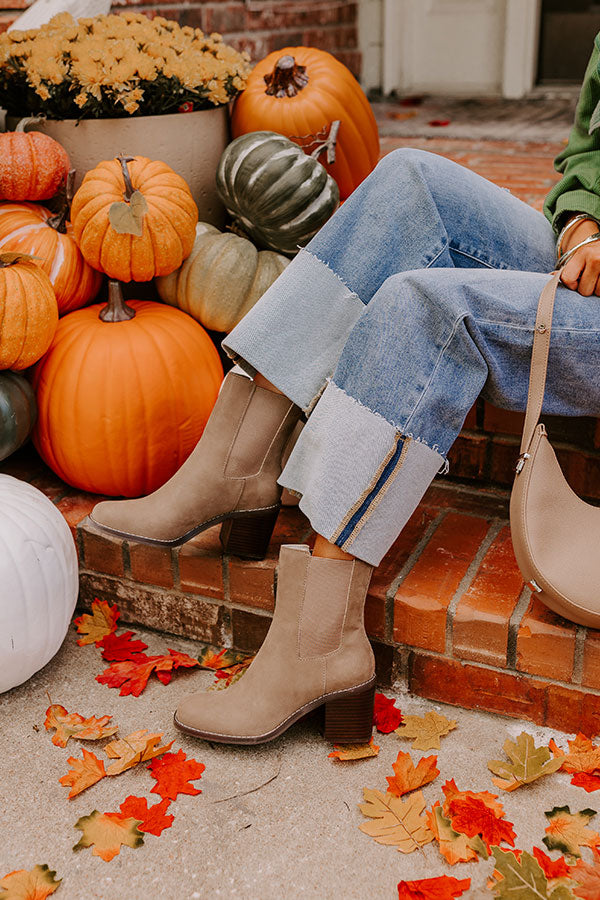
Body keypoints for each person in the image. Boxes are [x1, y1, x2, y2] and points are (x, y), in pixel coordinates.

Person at [90, 37, 600, 746]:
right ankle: (237, 463)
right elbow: (588, 152)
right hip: (589, 259)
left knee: (423, 306)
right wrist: (580, 223)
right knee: (408, 182)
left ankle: (321, 640)